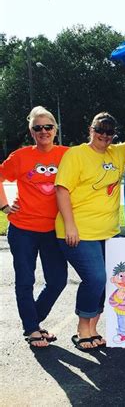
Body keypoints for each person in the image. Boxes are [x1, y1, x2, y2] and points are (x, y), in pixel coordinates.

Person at [55, 112, 125, 351]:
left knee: (110, 281)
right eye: (100, 130)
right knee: (95, 277)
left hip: (108, 232)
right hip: (80, 231)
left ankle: (93, 328)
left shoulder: (115, 153)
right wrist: (70, 225)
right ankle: (81, 330)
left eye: (109, 132)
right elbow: (62, 190)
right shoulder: (76, 154)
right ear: (91, 129)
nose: (104, 136)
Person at [0, 106, 69, 348]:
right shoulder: (20, 157)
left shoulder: (68, 155)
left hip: (53, 230)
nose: (43, 131)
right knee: (25, 281)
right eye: (37, 128)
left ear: (55, 129)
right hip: (23, 229)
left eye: (47, 127)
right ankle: (32, 329)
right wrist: (4, 206)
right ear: (31, 132)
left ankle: (33, 320)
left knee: (58, 280)